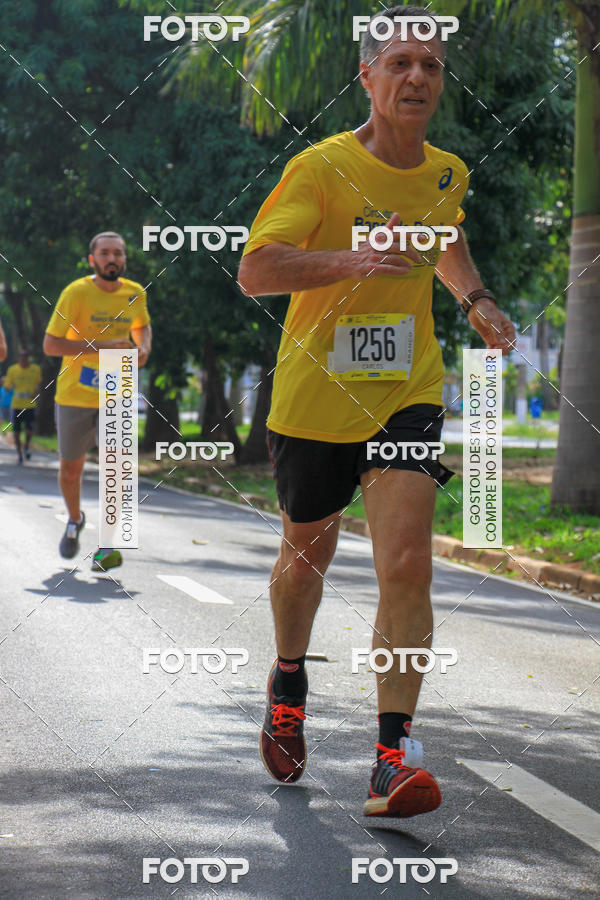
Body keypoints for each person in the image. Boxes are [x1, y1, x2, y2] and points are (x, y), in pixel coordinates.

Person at [238, 5, 515, 818]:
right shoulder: (321, 169)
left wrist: (476, 299)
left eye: (430, 65)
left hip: (406, 393)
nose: (418, 77)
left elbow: (446, 237)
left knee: (406, 565)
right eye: (400, 63)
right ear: (367, 77)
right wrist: (351, 259)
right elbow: (256, 269)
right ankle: (288, 679)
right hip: (316, 396)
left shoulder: (447, 172)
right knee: (304, 566)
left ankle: (391, 759)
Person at [43, 232, 151, 571]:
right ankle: (74, 520)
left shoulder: (135, 293)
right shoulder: (76, 292)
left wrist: (143, 347)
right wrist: (100, 349)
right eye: (105, 253)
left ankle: (106, 545)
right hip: (75, 393)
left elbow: (142, 327)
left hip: (116, 392)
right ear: (93, 259)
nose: (112, 258)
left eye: (118, 253)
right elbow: (51, 345)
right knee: (71, 469)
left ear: (124, 260)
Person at [4, 349, 42, 463]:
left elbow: (38, 384)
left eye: (25, 360)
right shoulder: (12, 370)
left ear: (28, 360)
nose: (23, 362)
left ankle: (26, 447)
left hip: (30, 405)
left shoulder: (35, 369)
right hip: (16, 405)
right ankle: (19, 453)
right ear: (18, 360)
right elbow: (6, 387)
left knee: (29, 430)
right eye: (21, 360)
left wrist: (35, 394)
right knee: (16, 431)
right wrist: (10, 386)